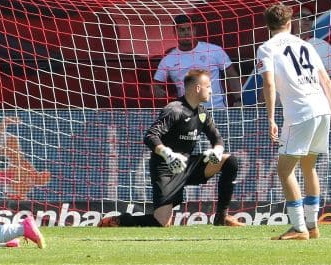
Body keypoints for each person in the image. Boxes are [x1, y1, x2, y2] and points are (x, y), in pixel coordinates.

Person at [104, 69, 244, 228]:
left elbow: (217, 138)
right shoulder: (174, 110)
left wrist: (217, 151)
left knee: (229, 161)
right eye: (209, 86)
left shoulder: (203, 113)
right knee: (162, 223)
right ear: (197, 88)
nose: (211, 91)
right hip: (166, 168)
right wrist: (168, 154)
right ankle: (120, 221)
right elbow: (150, 136)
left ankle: (222, 217)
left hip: (187, 166)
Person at [258, 3, 331, 241]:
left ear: (267, 26)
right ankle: (312, 225)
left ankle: (299, 228)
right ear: (290, 24)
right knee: (309, 167)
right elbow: (327, 82)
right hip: (322, 109)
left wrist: (270, 118)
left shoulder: (267, 48)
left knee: (284, 170)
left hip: (300, 113)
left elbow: (269, 84)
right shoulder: (306, 45)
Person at [153, 14, 241, 109]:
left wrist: (239, 99)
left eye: (189, 29)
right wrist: (157, 90)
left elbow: (231, 74)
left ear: (194, 30)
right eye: (182, 30)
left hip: (217, 110)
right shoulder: (168, 60)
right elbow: (156, 84)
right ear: (175, 33)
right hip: (187, 113)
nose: (186, 33)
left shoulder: (214, 51)